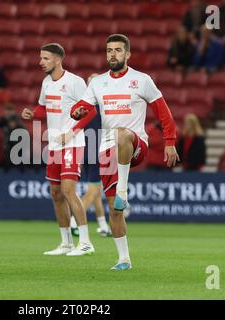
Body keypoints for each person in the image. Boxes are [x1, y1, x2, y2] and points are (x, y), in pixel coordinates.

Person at [70, 34, 179, 270]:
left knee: (122, 133)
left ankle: (123, 189)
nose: (113, 54)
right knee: (114, 210)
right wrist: (76, 112)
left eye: (118, 50)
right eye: (109, 50)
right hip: (107, 151)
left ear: (128, 54)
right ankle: (123, 259)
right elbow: (82, 107)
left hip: (135, 144)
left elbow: (163, 112)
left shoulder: (142, 80)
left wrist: (170, 141)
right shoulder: (97, 82)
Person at [21, 43, 94, 256]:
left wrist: (72, 132)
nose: (40, 62)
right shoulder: (46, 83)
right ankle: (66, 243)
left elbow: (90, 111)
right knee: (56, 193)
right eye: (40, 58)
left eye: (45, 58)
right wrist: (33, 113)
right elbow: (45, 106)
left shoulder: (75, 82)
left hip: (72, 143)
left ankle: (87, 242)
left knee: (69, 190)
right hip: (54, 144)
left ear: (58, 59)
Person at [70, 73, 110, 238]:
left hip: (83, 150)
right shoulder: (103, 103)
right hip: (97, 150)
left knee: (94, 188)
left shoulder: (82, 105)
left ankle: (103, 226)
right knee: (94, 191)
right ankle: (74, 221)